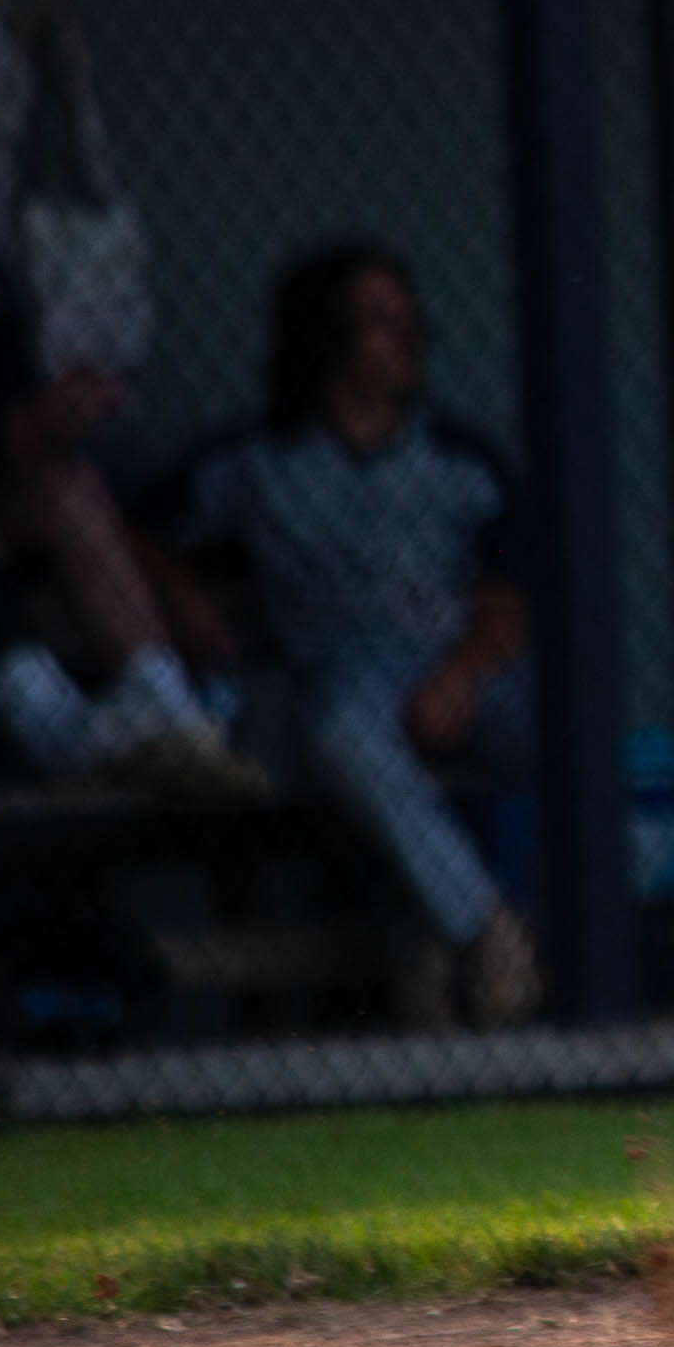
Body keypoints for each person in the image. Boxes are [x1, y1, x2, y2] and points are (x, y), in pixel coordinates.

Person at [177, 245, 543, 1028]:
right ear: (326, 336)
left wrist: (461, 675)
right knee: (340, 730)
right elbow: (135, 529)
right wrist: (181, 597)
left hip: (470, 672)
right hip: (351, 681)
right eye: (381, 321)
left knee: (574, 727)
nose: (407, 336)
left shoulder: (460, 457)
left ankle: (480, 932)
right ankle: (484, 929)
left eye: (410, 319)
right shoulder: (256, 463)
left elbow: (509, 605)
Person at [0, 51, 257, 796]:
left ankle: (161, 708)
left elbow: (3, 421)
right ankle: (54, 728)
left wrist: (51, 416)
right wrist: (7, 431)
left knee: (62, 479)